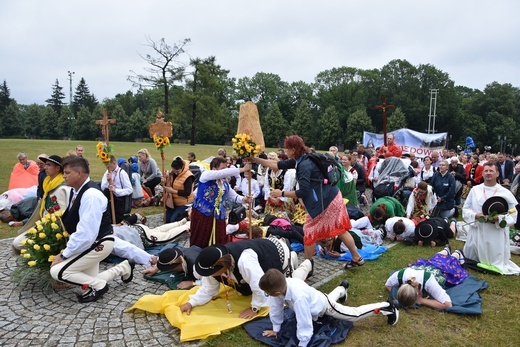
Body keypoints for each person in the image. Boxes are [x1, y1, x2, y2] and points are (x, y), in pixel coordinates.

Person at [252, 135, 364, 268]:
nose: (285, 152)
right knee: (339, 229)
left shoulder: (304, 164)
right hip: (331, 196)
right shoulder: (301, 159)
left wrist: (281, 193)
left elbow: (303, 192)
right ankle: (357, 258)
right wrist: (255, 159)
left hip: (326, 201)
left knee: (310, 231)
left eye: (287, 149)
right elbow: (276, 164)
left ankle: (306, 268)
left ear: (293, 149)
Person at [49, 156, 134, 303]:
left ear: (80, 173)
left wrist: (63, 255)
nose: (63, 176)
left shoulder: (91, 195)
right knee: (90, 279)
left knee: (57, 271)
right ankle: (123, 268)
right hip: (91, 243)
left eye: (67, 172)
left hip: (98, 243)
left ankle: (100, 286)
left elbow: (87, 233)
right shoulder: (75, 191)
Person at [179, 238, 313, 319]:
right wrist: (192, 303)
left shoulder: (245, 261)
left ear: (222, 267)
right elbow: (208, 289)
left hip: (275, 252)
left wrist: (255, 308)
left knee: (287, 288)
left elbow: (259, 285)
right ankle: (293, 258)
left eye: (211, 273)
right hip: (260, 254)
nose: (209, 276)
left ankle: (305, 265)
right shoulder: (215, 266)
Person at [259, 269, 398, 347]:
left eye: (268, 294)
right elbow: (276, 307)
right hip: (316, 299)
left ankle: (388, 306)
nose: (269, 296)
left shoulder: (298, 298)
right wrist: (276, 328)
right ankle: (342, 288)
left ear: (276, 292)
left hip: (324, 306)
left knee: (353, 314)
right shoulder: (280, 287)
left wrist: (302, 343)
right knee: (327, 298)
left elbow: (304, 322)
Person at [462, 162, 520, 275]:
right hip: (478, 229)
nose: (488, 173)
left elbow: (513, 214)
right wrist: (475, 215)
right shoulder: (475, 190)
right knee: (472, 259)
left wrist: (499, 218)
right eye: (486, 171)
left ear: (497, 173)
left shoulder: (504, 192)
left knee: (493, 260)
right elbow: (465, 209)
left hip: (495, 232)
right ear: (482, 173)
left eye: (491, 171)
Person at [190, 157, 253, 248]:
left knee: (219, 239)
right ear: (214, 168)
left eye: (226, 168)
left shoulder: (224, 183)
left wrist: (244, 199)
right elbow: (222, 173)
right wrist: (243, 169)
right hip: (203, 213)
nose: (225, 171)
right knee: (201, 238)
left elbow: (234, 196)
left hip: (219, 215)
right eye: (223, 168)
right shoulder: (206, 175)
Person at [11, 155, 69, 250]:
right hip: (43, 224)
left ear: (58, 168)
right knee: (17, 243)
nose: (45, 167)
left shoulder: (62, 188)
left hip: (55, 229)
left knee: (18, 244)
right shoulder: (47, 184)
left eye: (49, 165)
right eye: (45, 165)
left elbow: (62, 215)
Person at [385, 245, 468, 309]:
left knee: (449, 268)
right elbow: (388, 285)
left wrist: (422, 301)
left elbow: (448, 304)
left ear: (418, 293)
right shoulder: (398, 275)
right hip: (423, 267)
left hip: (438, 272)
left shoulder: (429, 283)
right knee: (434, 260)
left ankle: (457, 253)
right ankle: (446, 250)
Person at [100, 155, 133, 224]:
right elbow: (103, 187)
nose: (107, 167)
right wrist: (107, 180)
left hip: (119, 200)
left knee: (119, 221)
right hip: (109, 199)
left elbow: (129, 190)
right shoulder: (107, 172)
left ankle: (135, 217)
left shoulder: (122, 173)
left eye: (109, 165)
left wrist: (116, 190)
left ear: (114, 163)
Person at [162, 156, 195, 223]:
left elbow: (187, 192)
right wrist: (164, 181)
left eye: (177, 171)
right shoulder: (172, 174)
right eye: (174, 171)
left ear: (182, 167)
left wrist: (173, 191)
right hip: (174, 203)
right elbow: (168, 186)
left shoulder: (188, 176)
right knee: (166, 219)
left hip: (185, 203)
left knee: (173, 221)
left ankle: (187, 215)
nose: (176, 173)